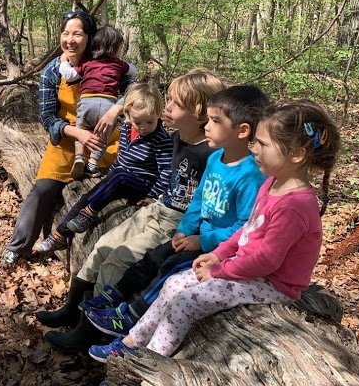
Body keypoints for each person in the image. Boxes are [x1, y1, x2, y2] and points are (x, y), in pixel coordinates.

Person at [89, 99, 340, 360]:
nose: (254, 150)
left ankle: (149, 359)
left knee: (186, 302)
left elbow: (266, 261)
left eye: (263, 144)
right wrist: (219, 254)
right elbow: (247, 233)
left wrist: (219, 270)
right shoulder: (272, 184)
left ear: (296, 155)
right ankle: (131, 342)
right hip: (247, 268)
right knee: (174, 283)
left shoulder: (294, 206)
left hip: (274, 284)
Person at [39, 68, 225, 352]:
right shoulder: (176, 139)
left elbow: (211, 206)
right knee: (102, 245)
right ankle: (72, 309)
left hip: (176, 224)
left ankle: (89, 331)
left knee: (117, 260)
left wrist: (198, 237)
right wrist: (115, 111)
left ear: (200, 114)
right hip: (158, 209)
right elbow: (136, 101)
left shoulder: (212, 153)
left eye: (175, 104)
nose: (168, 107)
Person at [82, 85, 270, 338]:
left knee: (169, 269)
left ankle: (130, 316)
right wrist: (184, 230)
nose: (207, 125)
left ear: (242, 131)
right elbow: (199, 200)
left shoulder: (249, 175)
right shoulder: (217, 160)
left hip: (217, 247)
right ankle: (109, 298)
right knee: (153, 257)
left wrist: (201, 240)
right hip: (194, 235)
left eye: (215, 121)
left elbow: (246, 227)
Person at [0, 11, 124, 266]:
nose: (70, 40)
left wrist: (115, 109)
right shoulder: (52, 71)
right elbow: (46, 117)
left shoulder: (105, 63)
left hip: (104, 141)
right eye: (65, 33)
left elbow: (137, 92)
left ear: (89, 37)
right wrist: (76, 132)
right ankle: (18, 246)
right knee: (42, 190)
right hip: (66, 142)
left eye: (77, 33)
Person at [31, 82, 172, 255]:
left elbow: (166, 171)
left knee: (118, 177)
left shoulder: (162, 139)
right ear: (127, 115)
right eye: (137, 122)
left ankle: (89, 214)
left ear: (159, 114)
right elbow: (122, 157)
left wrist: (153, 196)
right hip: (121, 178)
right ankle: (59, 236)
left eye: (149, 122)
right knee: (87, 197)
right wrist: (110, 175)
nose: (143, 127)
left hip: (142, 184)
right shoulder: (127, 128)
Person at [59, 26, 136, 179]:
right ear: (115, 48)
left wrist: (63, 61)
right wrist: (126, 64)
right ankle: (93, 164)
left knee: (80, 129)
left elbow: (69, 75)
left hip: (86, 103)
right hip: (108, 105)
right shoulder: (118, 64)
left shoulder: (88, 63)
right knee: (103, 136)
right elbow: (133, 71)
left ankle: (79, 156)